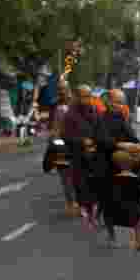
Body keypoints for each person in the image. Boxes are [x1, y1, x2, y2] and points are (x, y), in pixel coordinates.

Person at [93, 89, 140, 252]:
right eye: (117, 102)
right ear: (109, 102)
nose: (119, 105)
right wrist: (120, 145)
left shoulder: (122, 118)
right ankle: (112, 237)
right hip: (108, 167)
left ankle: (139, 240)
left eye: (122, 102)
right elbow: (102, 140)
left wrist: (138, 146)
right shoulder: (100, 119)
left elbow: (132, 137)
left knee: (137, 202)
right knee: (110, 204)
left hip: (128, 167)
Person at [63, 85, 103, 231]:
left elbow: (101, 128)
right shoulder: (70, 115)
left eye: (88, 96)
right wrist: (81, 141)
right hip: (77, 156)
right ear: (77, 97)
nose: (86, 100)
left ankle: (95, 211)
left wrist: (97, 141)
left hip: (95, 155)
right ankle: (86, 210)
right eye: (83, 96)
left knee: (96, 184)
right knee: (81, 185)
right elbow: (66, 136)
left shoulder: (96, 111)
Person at [49, 83, 79, 217]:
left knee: (77, 176)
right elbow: (54, 128)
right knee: (65, 177)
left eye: (64, 89)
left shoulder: (77, 105)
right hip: (62, 145)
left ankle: (78, 203)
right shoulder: (56, 107)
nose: (62, 92)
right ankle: (70, 204)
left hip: (77, 145)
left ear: (69, 90)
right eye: (60, 90)